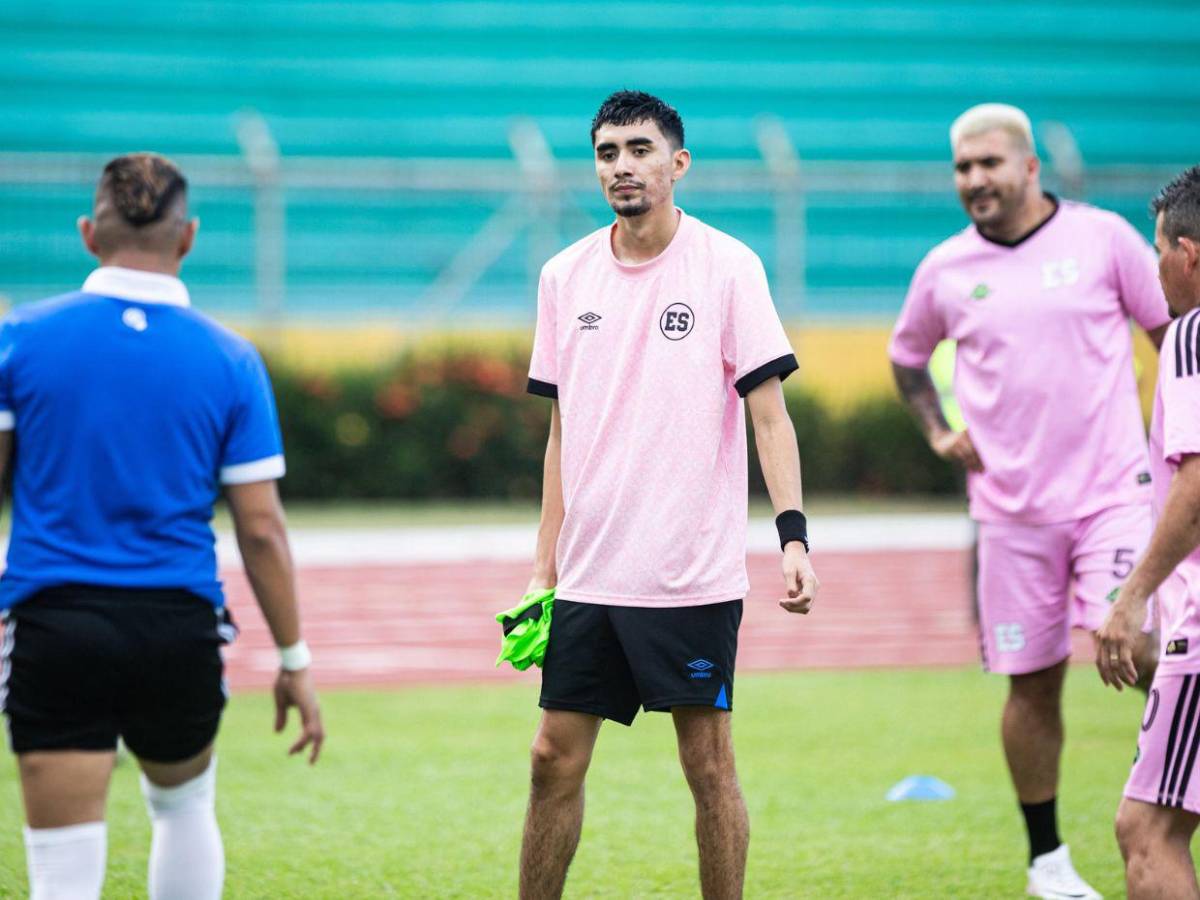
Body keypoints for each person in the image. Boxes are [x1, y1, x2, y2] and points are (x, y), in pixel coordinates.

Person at [519, 90, 819, 900]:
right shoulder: (563, 275)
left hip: (690, 575)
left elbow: (771, 418)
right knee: (551, 759)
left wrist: (793, 539)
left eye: (640, 150)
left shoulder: (729, 267)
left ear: (677, 163)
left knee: (708, 766)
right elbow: (561, 436)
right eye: (608, 152)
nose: (623, 166)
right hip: (589, 576)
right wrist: (542, 568)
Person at [0, 153, 324, 900]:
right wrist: (293, 657)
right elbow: (263, 529)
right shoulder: (232, 358)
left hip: (58, 623)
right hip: (176, 626)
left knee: (62, 860)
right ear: (189, 237)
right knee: (182, 809)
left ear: (88, 234)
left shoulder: (21, 337)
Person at [888, 103, 1169, 899]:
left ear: (1030, 167)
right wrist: (939, 431)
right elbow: (907, 358)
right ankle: (1048, 862)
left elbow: (1171, 336)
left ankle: (1165, 809)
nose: (974, 181)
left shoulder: (1103, 239)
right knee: (1032, 682)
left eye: (988, 165)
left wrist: (1175, 439)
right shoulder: (944, 268)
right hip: (1009, 516)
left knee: (1147, 651)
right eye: (962, 169)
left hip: (1113, 495)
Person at [1098, 164, 1200, 900]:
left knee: (1147, 829)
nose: (1151, 263)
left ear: (1188, 254)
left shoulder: (1191, 336)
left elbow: (1195, 487)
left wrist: (1134, 597)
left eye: (1157, 247)